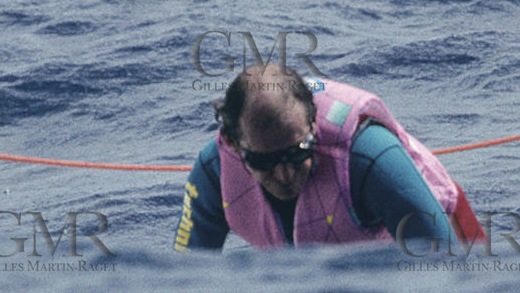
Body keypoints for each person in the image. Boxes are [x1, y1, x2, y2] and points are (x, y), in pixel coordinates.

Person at [173, 64, 485, 249]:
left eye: (297, 154)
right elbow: (183, 289)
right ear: (233, 143)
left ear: (313, 124)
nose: (284, 176)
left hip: (443, 229)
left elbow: (447, 274)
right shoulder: (214, 172)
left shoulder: (370, 158)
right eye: (264, 162)